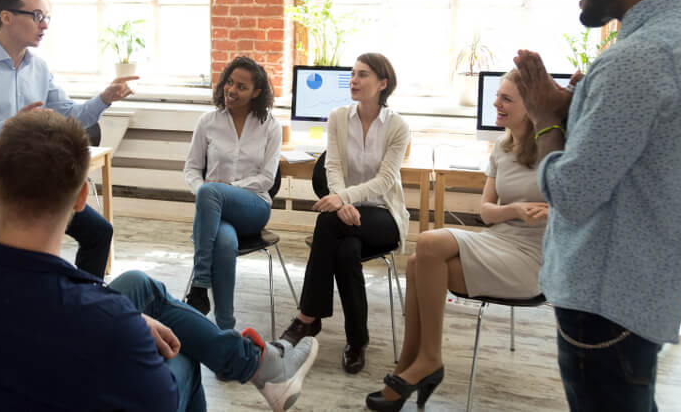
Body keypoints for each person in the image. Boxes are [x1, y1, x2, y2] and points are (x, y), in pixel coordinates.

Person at [0, 110, 318, 412]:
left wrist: (125, 316)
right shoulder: (105, 320)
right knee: (183, 354)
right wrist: (122, 321)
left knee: (139, 284)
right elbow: (158, 403)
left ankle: (262, 366)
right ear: (79, 201)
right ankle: (259, 367)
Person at [512, 0, 681, 412]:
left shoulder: (637, 58)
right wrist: (578, 106)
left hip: (604, 296)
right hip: (644, 283)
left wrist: (545, 119)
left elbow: (571, 193)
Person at [366, 71, 552, 410]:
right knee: (417, 263)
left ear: (532, 105)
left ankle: (428, 359)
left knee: (429, 246)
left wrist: (537, 215)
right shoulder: (502, 146)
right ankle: (411, 361)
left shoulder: (553, 150)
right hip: (500, 240)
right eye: (498, 95)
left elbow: (569, 210)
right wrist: (514, 210)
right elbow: (486, 212)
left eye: (506, 98)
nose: (496, 103)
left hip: (531, 257)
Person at [0, 0, 132, 278]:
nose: (44, 25)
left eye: (46, 18)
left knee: (99, 232)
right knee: (31, 248)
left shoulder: (38, 67)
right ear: (6, 17)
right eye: (36, 16)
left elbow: (71, 117)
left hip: (31, 174)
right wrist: (11, 127)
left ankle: (84, 308)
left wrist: (105, 98)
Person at [279, 53, 410, 375]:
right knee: (347, 251)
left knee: (328, 221)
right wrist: (342, 202)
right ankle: (356, 341)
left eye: (362, 75)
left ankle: (307, 318)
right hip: (344, 215)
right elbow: (332, 166)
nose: (353, 80)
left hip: (383, 214)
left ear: (383, 84)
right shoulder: (339, 117)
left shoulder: (397, 126)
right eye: (352, 74)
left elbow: (385, 180)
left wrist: (342, 199)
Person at [183, 56, 281, 329]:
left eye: (241, 86)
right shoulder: (208, 121)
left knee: (211, 192)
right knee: (224, 243)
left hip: (253, 207)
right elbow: (191, 169)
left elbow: (267, 179)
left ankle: (199, 285)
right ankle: (225, 329)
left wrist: (224, 190)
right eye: (229, 82)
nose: (231, 90)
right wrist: (206, 192)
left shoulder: (271, 126)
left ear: (256, 92)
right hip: (216, 213)